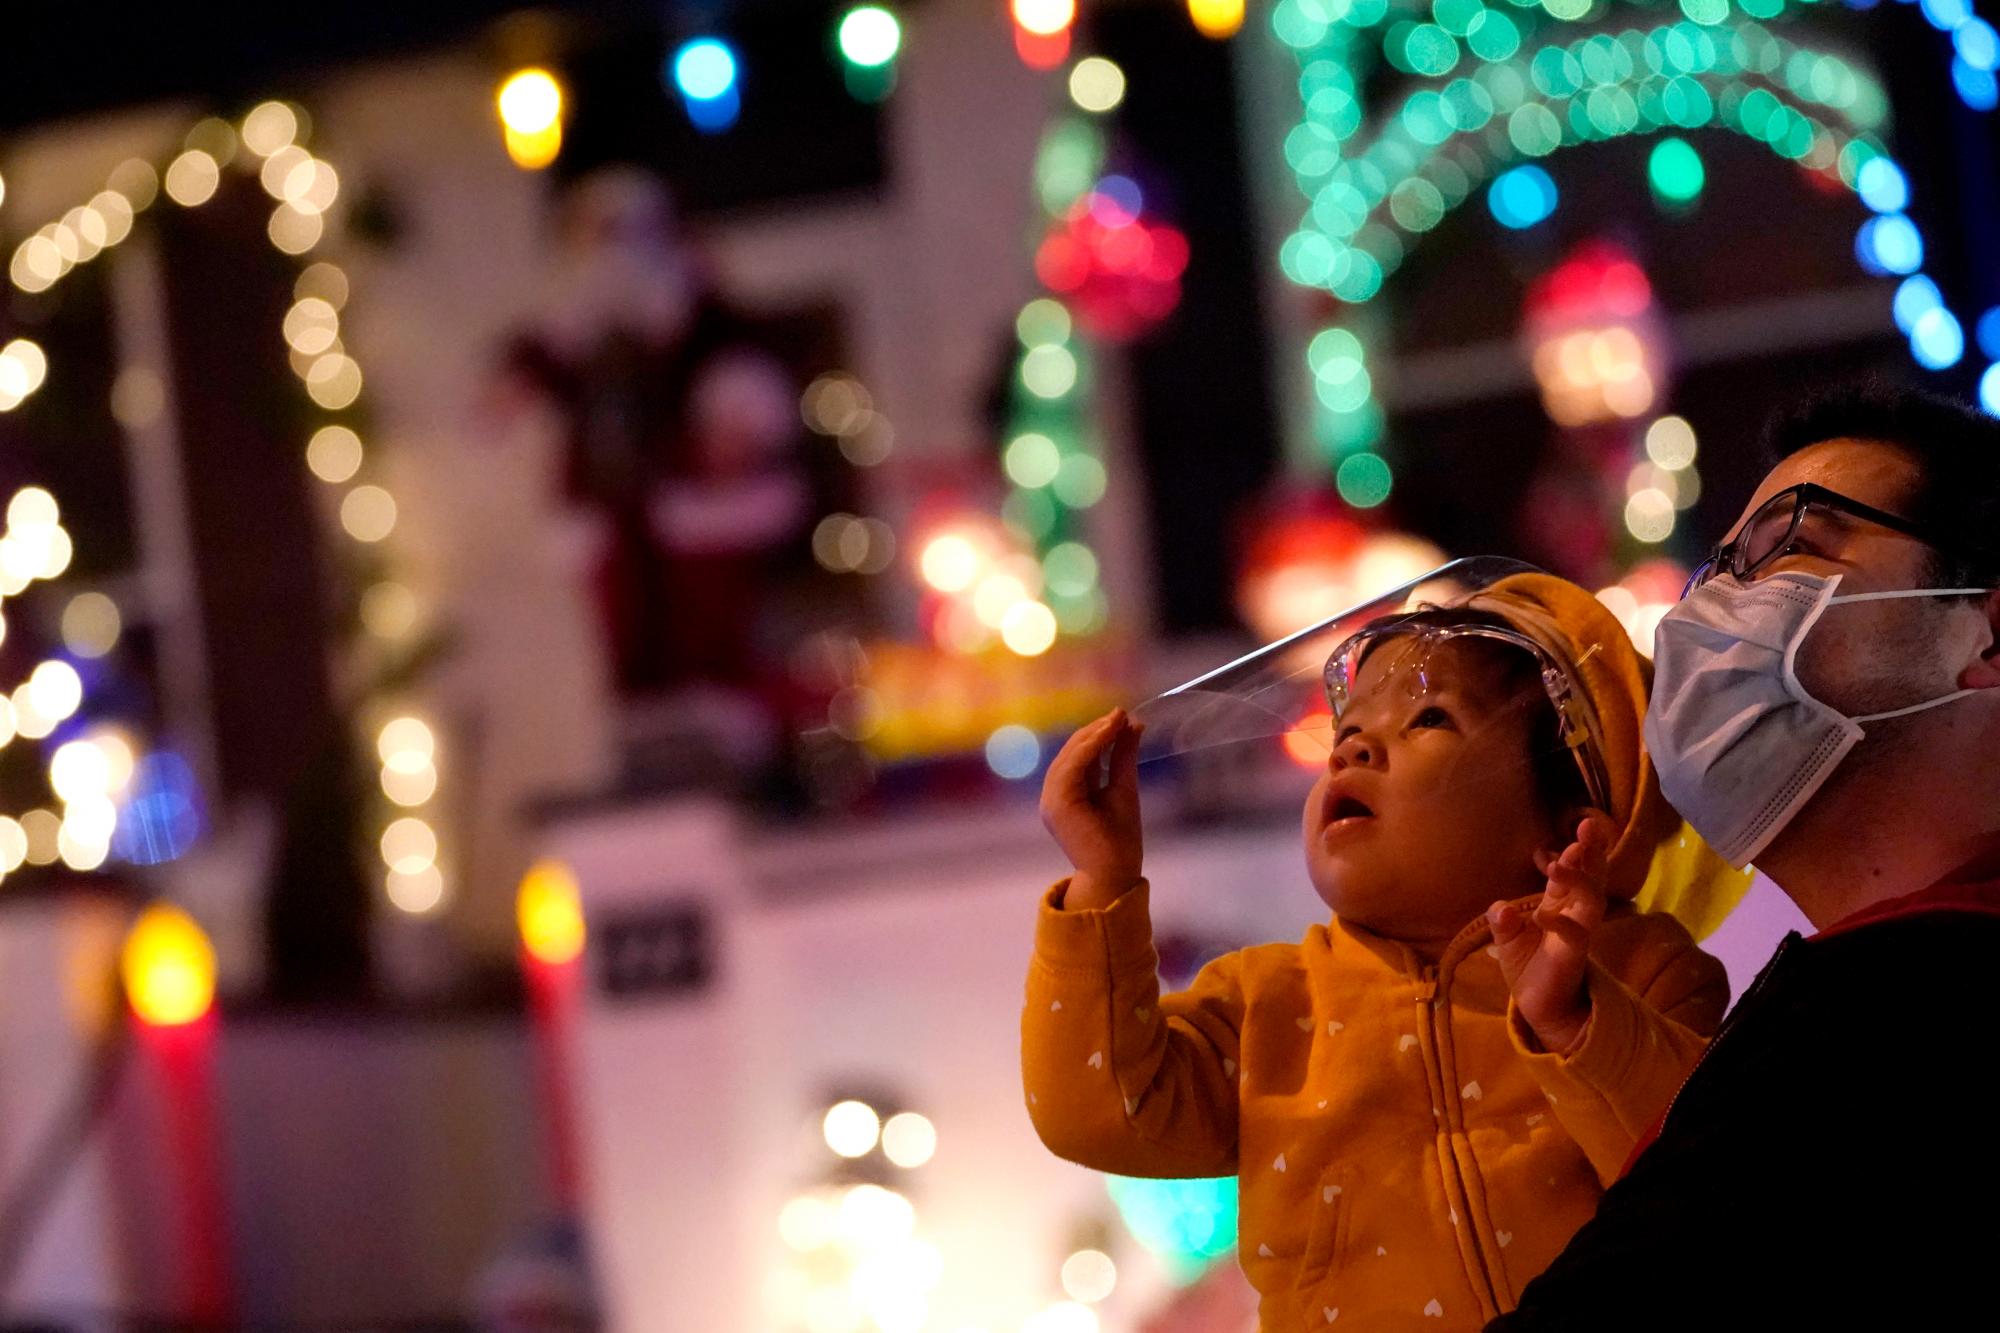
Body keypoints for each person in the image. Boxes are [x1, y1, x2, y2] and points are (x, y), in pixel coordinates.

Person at [1024, 573, 1732, 1329]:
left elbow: (1708, 1192)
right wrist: (1102, 882)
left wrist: (1576, 1024)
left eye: (1428, 717)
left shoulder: (1643, 972)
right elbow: (1094, 1109)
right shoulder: (1269, 1001)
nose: (1352, 745)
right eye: (1347, 728)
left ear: (1571, 822)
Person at [1489, 384, 2000, 1328]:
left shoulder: (1898, 1018)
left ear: (1988, 635)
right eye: (1718, 569)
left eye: (1793, 545)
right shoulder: (1856, 999)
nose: (1706, 614)